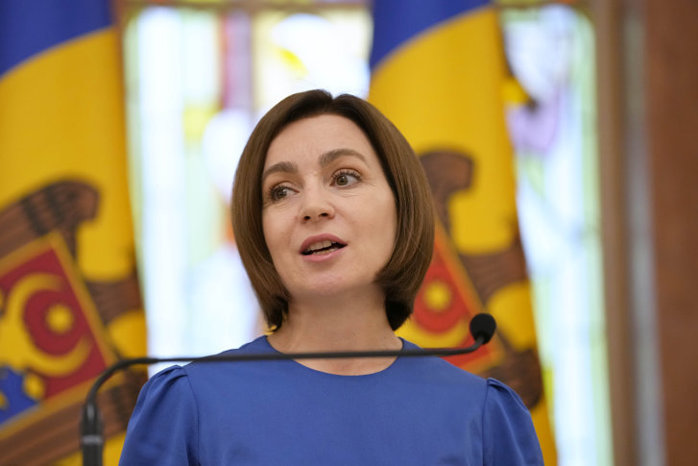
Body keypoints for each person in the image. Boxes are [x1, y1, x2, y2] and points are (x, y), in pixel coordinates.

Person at [120, 89, 544, 465]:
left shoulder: (483, 417)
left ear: (402, 207)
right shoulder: (189, 409)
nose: (313, 207)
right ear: (258, 231)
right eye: (281, 191)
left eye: (344, 178)